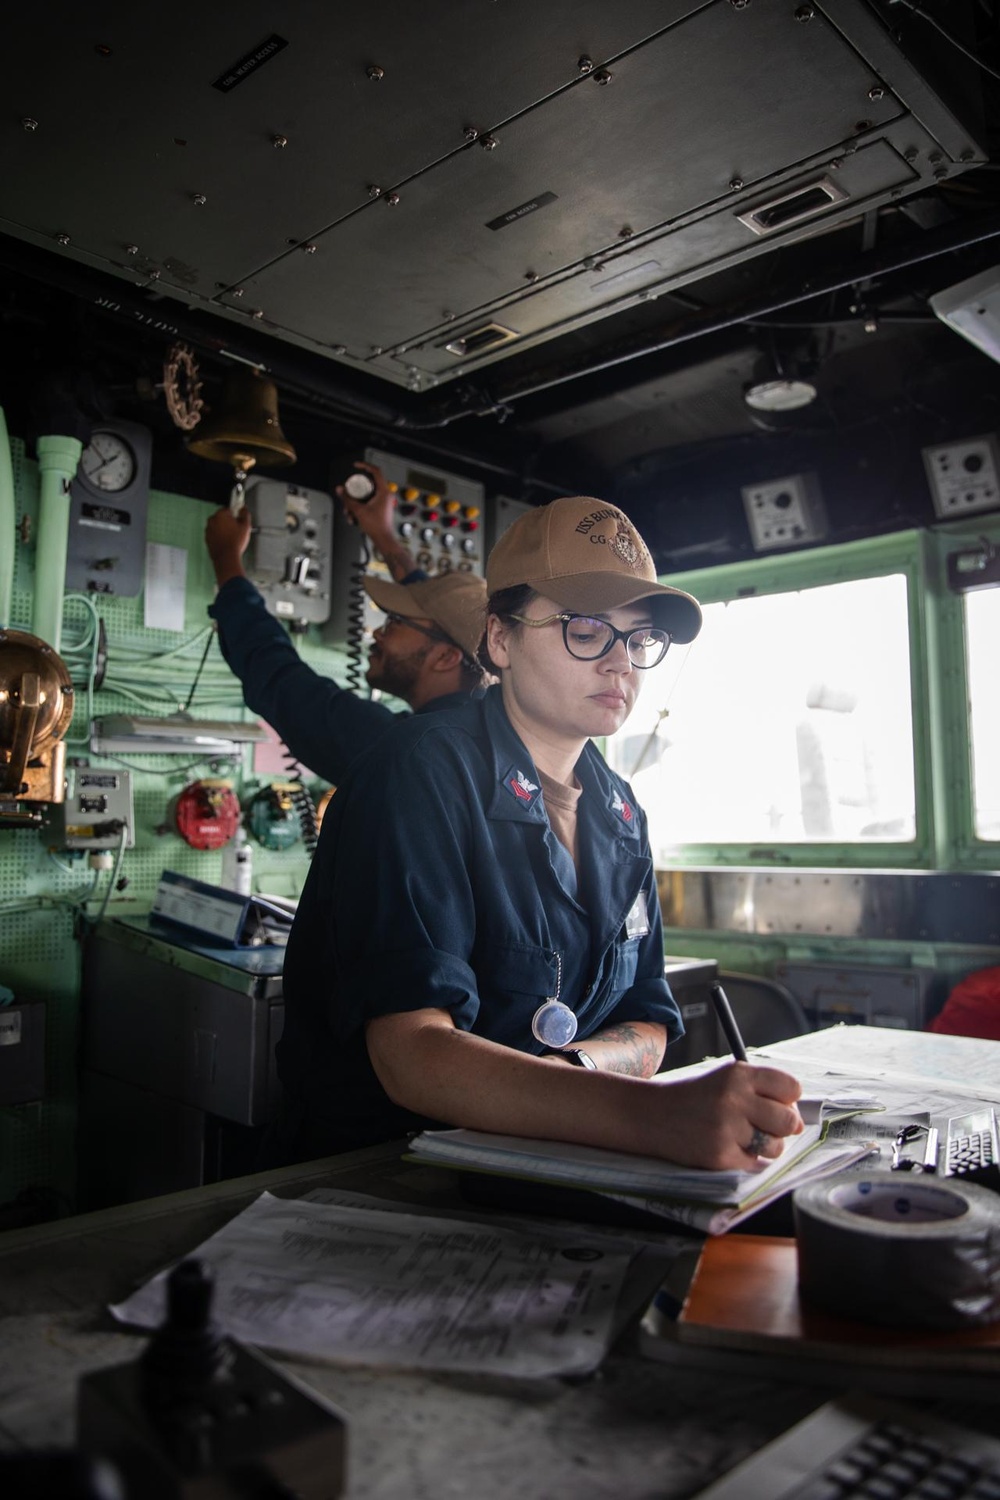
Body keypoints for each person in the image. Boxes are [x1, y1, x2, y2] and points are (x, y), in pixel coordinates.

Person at [274, 495, 804, 1170]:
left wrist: (574, 1067)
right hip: (383, 1178)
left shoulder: (621, 812)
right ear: (501, 639)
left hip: (547, 1169)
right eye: (587, 630)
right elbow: (411, 1052)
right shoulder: (424, 771)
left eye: (639, 638)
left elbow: (649, 1014)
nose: (621, 664)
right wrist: (653, 1115)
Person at [204, 461, 488, 785]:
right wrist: (383, 535)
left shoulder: (399, 751)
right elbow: (439, 611)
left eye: (395, 622)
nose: (377, 632)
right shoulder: (479, 730)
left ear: (446, 657)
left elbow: (278, 677)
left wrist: (226, 562)